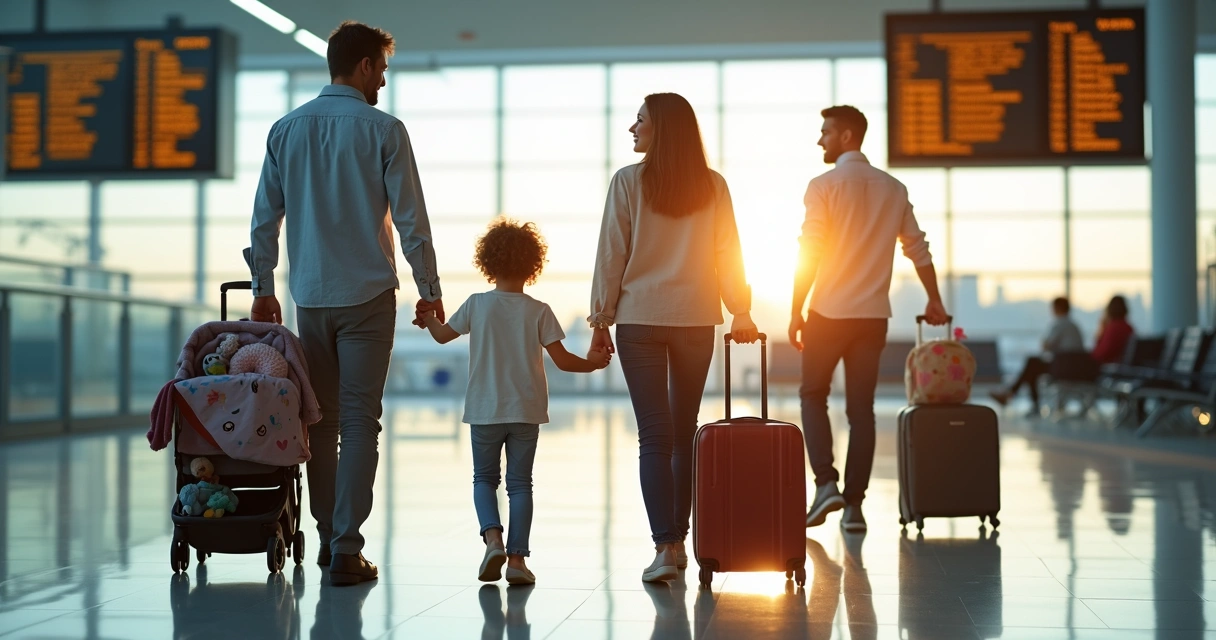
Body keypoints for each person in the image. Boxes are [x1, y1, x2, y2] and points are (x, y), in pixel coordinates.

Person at [247, 21, 442, 587]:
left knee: (323, 421)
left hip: (309, 296)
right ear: (362, 66)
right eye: (381, 69)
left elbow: (265, 218)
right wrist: (429, 291)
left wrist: (263, 287)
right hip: (368, 297)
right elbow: (411, 220)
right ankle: (347, 549)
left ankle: (330, 536)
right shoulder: (384, 129)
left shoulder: (286, 130)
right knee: (360, 422)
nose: (382, 80)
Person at [589, 92, 758, 583]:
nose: (632, 129)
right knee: (684, 431)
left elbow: (611, 256)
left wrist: (600, 321)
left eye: (639, 120)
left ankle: (667, 547)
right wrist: (740, 309)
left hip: (639, 320)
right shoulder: (713, 186)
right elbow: (729, 252)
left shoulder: (627, 182)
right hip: (694, 320)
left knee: (655, 437)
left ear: (661, 128)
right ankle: (678, 543)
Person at [788, 105, 948, 535]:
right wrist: (934, 300)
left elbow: (811, 249)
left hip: (827, 312)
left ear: (846, 137)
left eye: (825, 132)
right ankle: (854, 508)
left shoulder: (822, 186)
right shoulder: (893, 188)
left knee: (812, 395)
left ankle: (826, 484)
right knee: (862, 410)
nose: (819, 140)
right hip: (872, 317)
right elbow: (918, 249)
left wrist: (795, 309)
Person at [423, 219, 610, 586]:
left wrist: (428, 319)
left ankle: (493, 539)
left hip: (484, 409)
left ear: (488, 263)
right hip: (525, 410)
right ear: (533, 265)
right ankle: (517, 561)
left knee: (484, 479)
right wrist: (595, 362)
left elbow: (443, 336)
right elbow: (564, 361)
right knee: (520, 484)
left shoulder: (477, 305)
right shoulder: (539, 310)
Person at [990, 296, 1084, 413]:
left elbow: (1046, 345)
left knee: (1032, 363)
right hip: (1074, 367)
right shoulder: (1074, 325)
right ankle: (1012, 394)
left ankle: (1013, 395)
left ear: (1056, 308)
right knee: (1032, 366)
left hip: (1063, 368)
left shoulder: (1059, 324)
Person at [1092, 295, 1135, 365]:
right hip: (1123, 368)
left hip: (1111, 368)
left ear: (1109, 310)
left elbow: (1101, 354)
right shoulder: (1129, 328)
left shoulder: (1112, 327)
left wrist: (1101, 332)